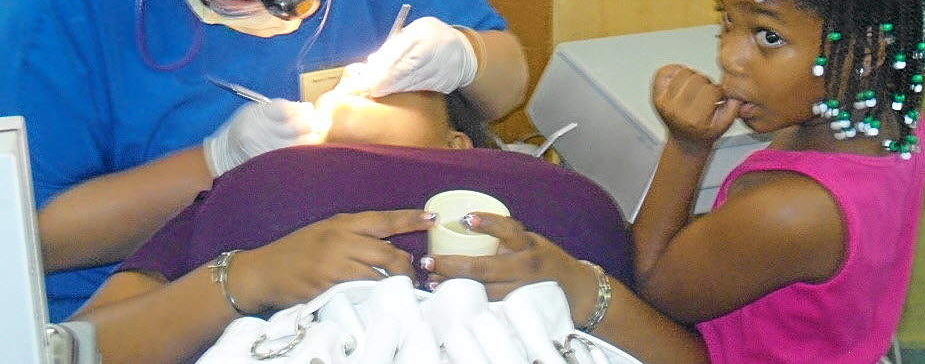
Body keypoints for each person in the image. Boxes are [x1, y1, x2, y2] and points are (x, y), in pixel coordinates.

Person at [0, 0, 528, 320]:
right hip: (164, 299)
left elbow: (507, 91)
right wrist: (215, 163)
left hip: (356, 281)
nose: (297, 3)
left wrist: (468, 55)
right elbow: (29, 240)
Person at [427, 0, 925, 364]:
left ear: (866, 51)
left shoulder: (791, 210)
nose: (729, 56)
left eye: (767, 35)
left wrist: (686, 150)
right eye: (727, 20)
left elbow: (653, 288)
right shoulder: (906, 128)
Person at [72, 89, 630, 364]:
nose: (355, 83)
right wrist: (248, 277)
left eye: (396, 83)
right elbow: (73, 348)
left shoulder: (564, 190)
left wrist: (582, 289)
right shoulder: (248, 182)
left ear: (458, 140)